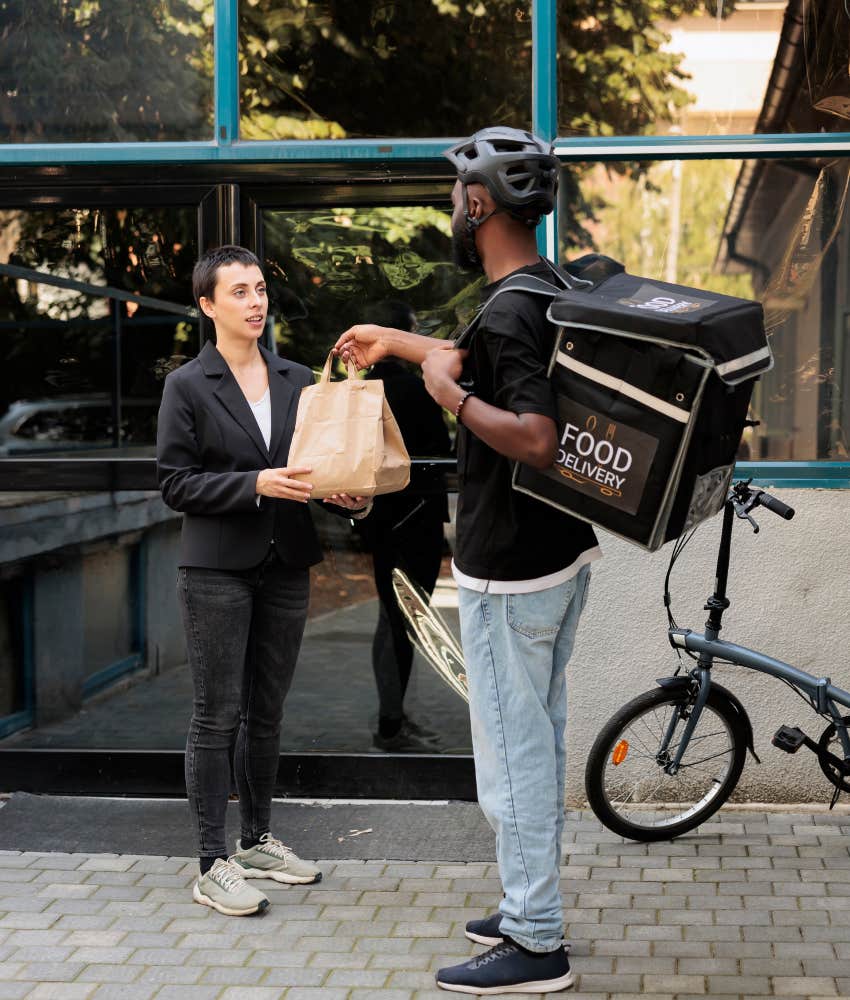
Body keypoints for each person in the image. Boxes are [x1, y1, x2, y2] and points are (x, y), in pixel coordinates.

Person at [335, 127, 601, 994]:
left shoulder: (513, 308)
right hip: (558, 560)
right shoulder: (538, 287)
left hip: (511, 572)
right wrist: (399, 343)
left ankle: (534, 941)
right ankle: (531, 901)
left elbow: (534, 435)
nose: (453, 208)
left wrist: (449, 398)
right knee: (543, 737)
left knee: (512, 755)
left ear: (480, 204)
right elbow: (466, 356)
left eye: (457, 196)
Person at [157, 245, 366, 917]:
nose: (255, 302)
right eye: (239, 292)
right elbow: (174, 482)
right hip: (216, 567)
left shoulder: (295, 375)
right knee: (216, 715)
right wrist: (253, 484)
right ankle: (211, 861)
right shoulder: (188, 385)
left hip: (286, 562)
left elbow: (316, 464)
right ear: (209, 305)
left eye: (259, 290)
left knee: (267, 713)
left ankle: (254, 841)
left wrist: (345, 495)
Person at [357, 300, 451, 753]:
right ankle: (390, 725)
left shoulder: (359, 392)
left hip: (378, 522)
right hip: (417, 522)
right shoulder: (414, 390)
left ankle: (391, 718)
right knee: (404, 623)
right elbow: (442, 455)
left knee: (391, 619)